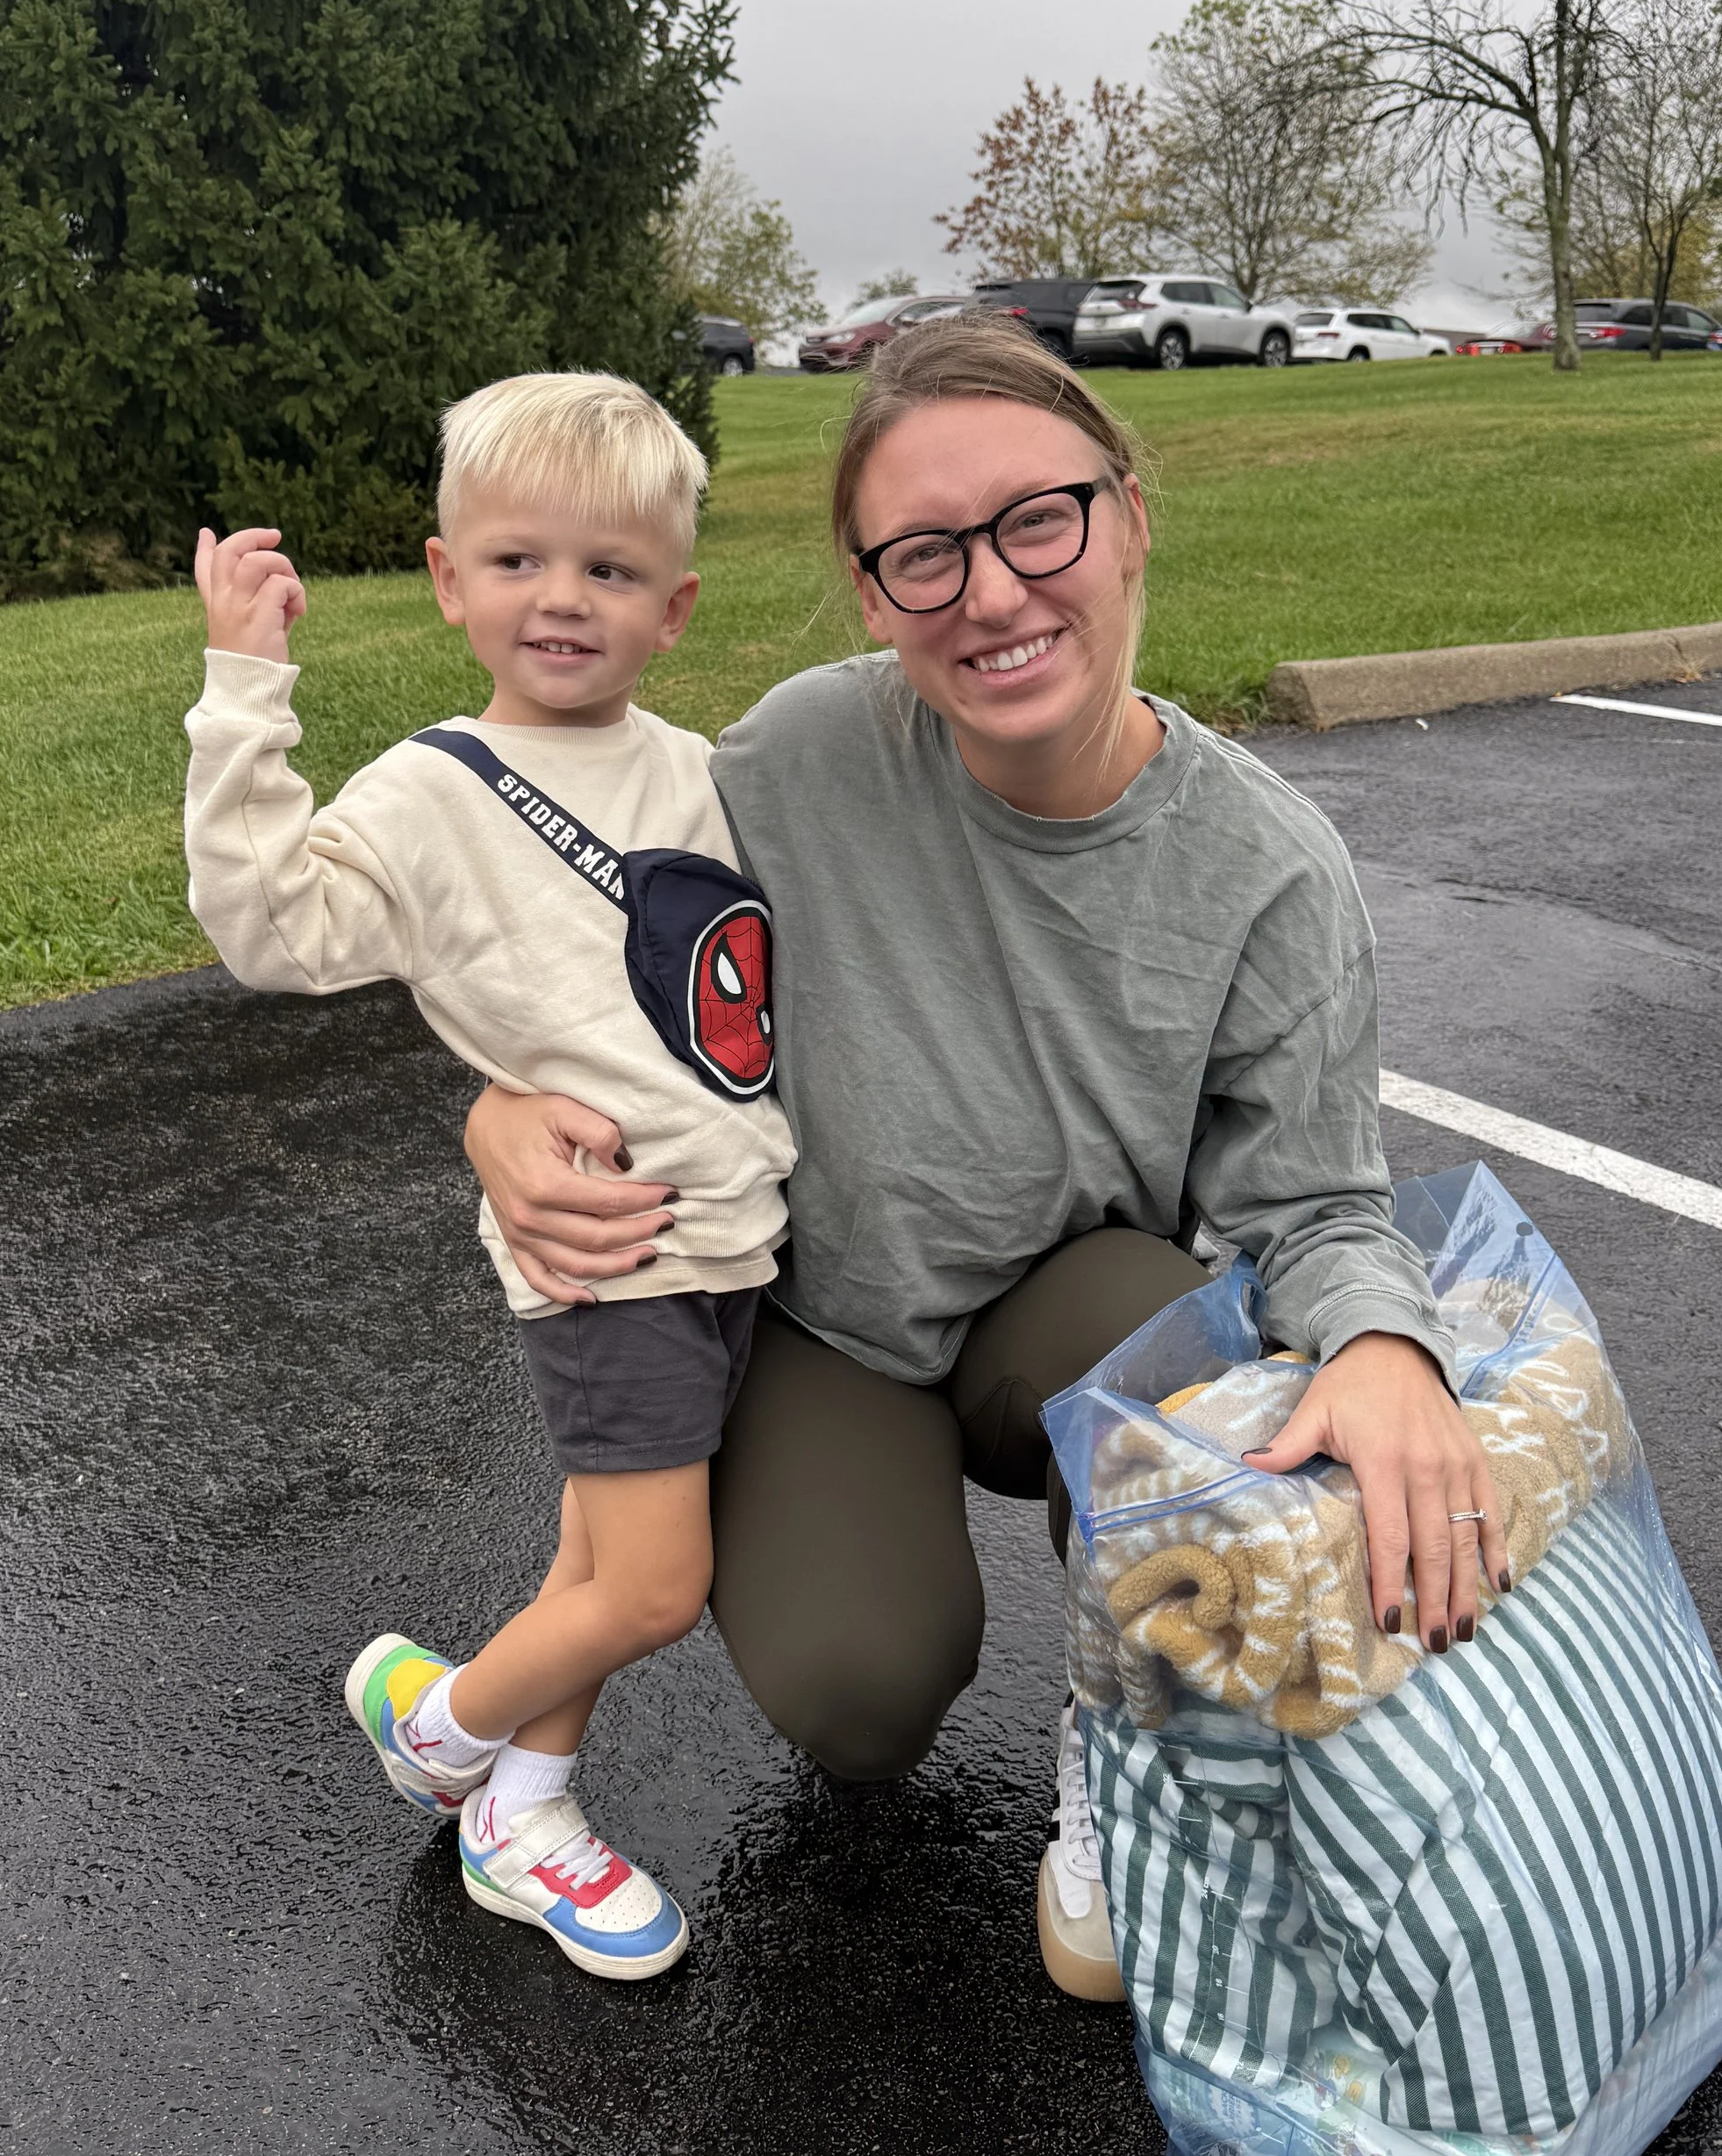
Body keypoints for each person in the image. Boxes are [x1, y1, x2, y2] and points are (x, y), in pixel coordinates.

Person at [464, 318, 1506, 2003]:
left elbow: (1312, 1204)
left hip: (1061, 1316)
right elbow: (588, 964)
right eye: (926, 556)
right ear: (875, 596)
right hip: (830, 1320)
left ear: (1129, 515)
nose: (996, 593)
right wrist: (497, 1108)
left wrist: (1388, 1341)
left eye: (1041, 521)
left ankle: (1128, 1732)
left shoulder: (1271, 873)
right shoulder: (796, 760)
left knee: (1210, 1335)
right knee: (861, 1700)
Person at [183, 371, 795, 1982]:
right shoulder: (435, 791)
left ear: (675, 607)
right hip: (609, 1254)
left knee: (596, 1566)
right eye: (518, 562)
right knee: (658, 1585)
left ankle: (525, 1807)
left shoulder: (691, 770)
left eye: (607, 571)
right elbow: (274, 928)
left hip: (728, 1239)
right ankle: (445, 1732)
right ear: (450, 581)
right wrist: (246, 682)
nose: (563, 601)